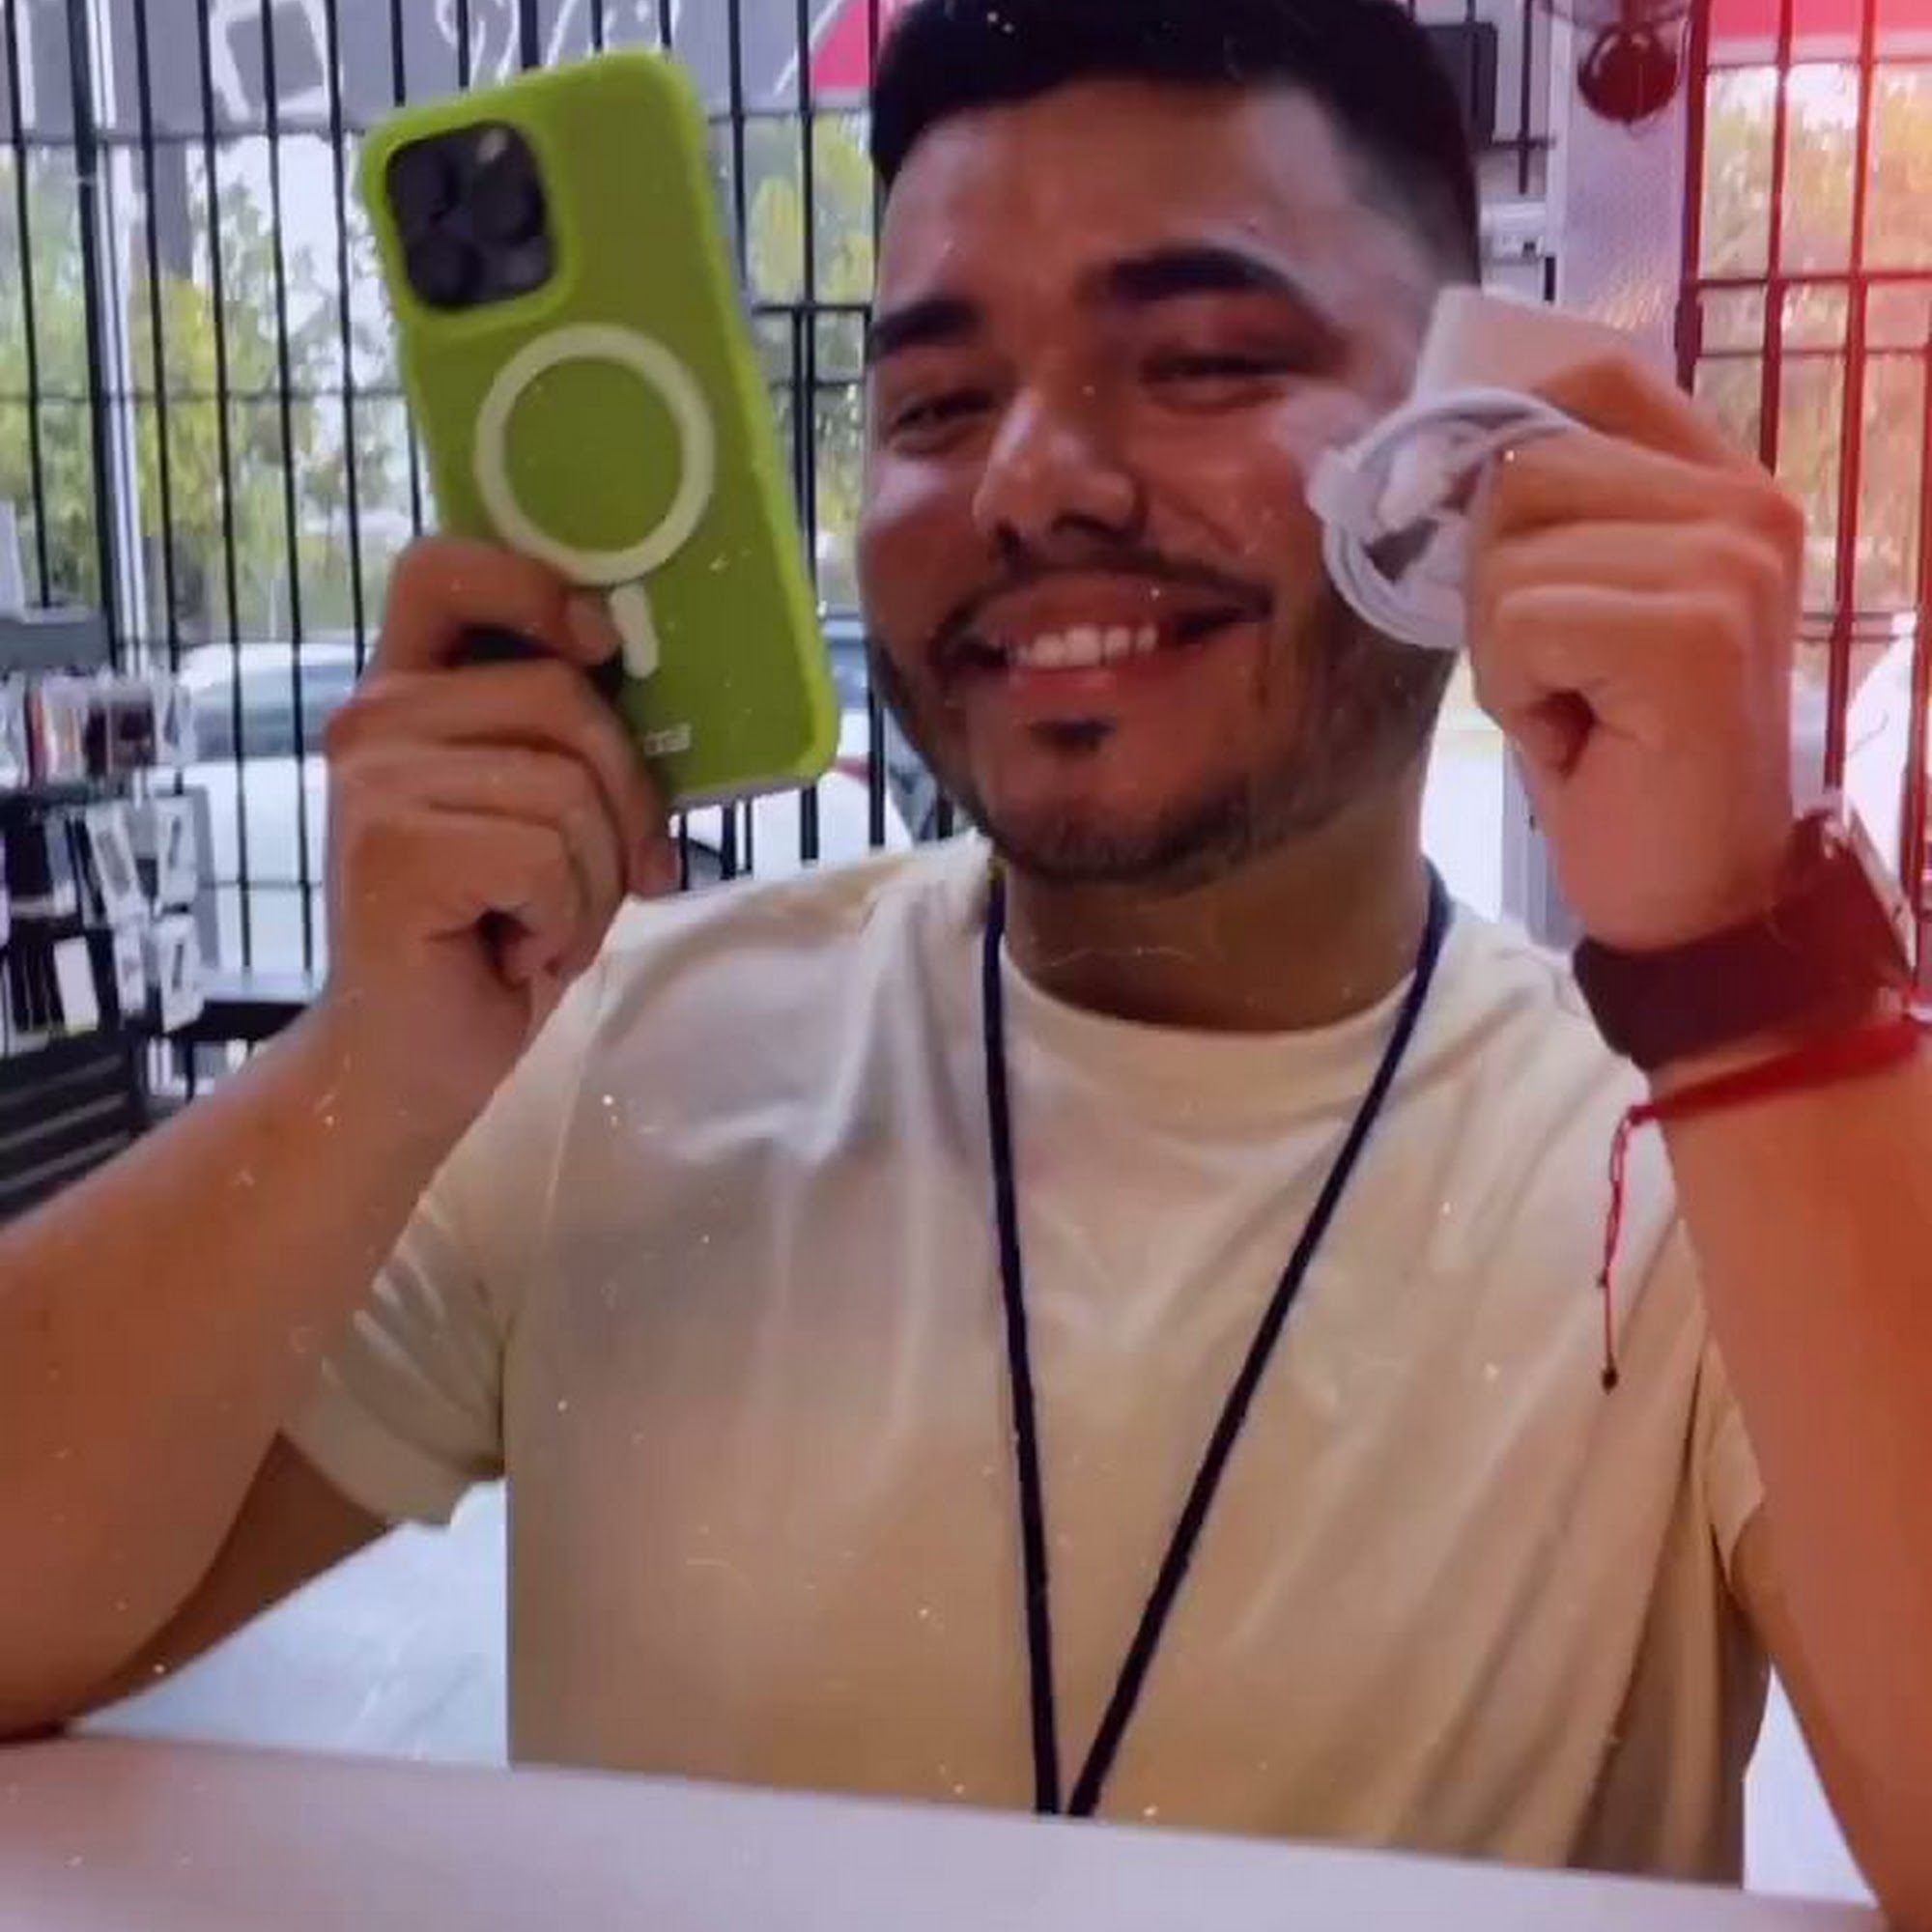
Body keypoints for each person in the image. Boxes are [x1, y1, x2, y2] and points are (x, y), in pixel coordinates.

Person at [3, 0, 1930, 1917]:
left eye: (1199, 361)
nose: (1029, 480)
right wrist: (371, 1064)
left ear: (1468, 457)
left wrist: (1738, 965)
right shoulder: (618, 1058)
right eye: (933, 401)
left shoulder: (1691, 1171)